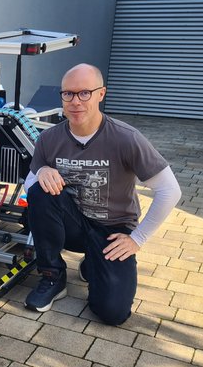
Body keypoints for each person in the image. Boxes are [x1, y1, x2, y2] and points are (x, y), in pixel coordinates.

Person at [23, 63, 181, 325]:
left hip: (112, 232)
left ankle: (93, 263)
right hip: (73, 225)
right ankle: (53, 276)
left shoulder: (126, 138)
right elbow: (30, 185)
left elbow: (170, 190)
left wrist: (137, 239)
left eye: (85, 93)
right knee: (40, 191)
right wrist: (41, 172)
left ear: (101, 94)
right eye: (68, 94)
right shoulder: (49, 138)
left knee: (112, 313)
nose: (76, 101)